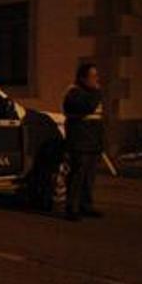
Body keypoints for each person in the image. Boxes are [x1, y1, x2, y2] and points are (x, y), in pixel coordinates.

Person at [62, 64, 105, 221]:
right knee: (77, 176)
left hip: (92, 142)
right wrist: (97, 92)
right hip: (80, 142)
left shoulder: (91, 93)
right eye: (92, 76)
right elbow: (87, 107)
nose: (96, 79)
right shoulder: (74, 93)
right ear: (82, 78)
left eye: (96, 76)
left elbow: (98, 119)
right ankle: (71, 208)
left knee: (89, 177)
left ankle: (85, 205)